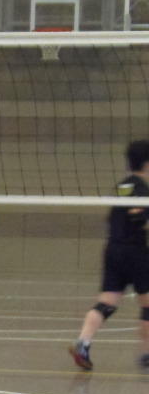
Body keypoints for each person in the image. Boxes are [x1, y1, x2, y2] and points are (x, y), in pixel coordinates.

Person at [69, 140, 149, 370]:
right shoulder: (142, 188)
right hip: (134, 250)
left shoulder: (121, 186)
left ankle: (83, 343)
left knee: (108, 301)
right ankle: (147, 354)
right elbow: (139, 216)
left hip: (113, 249)